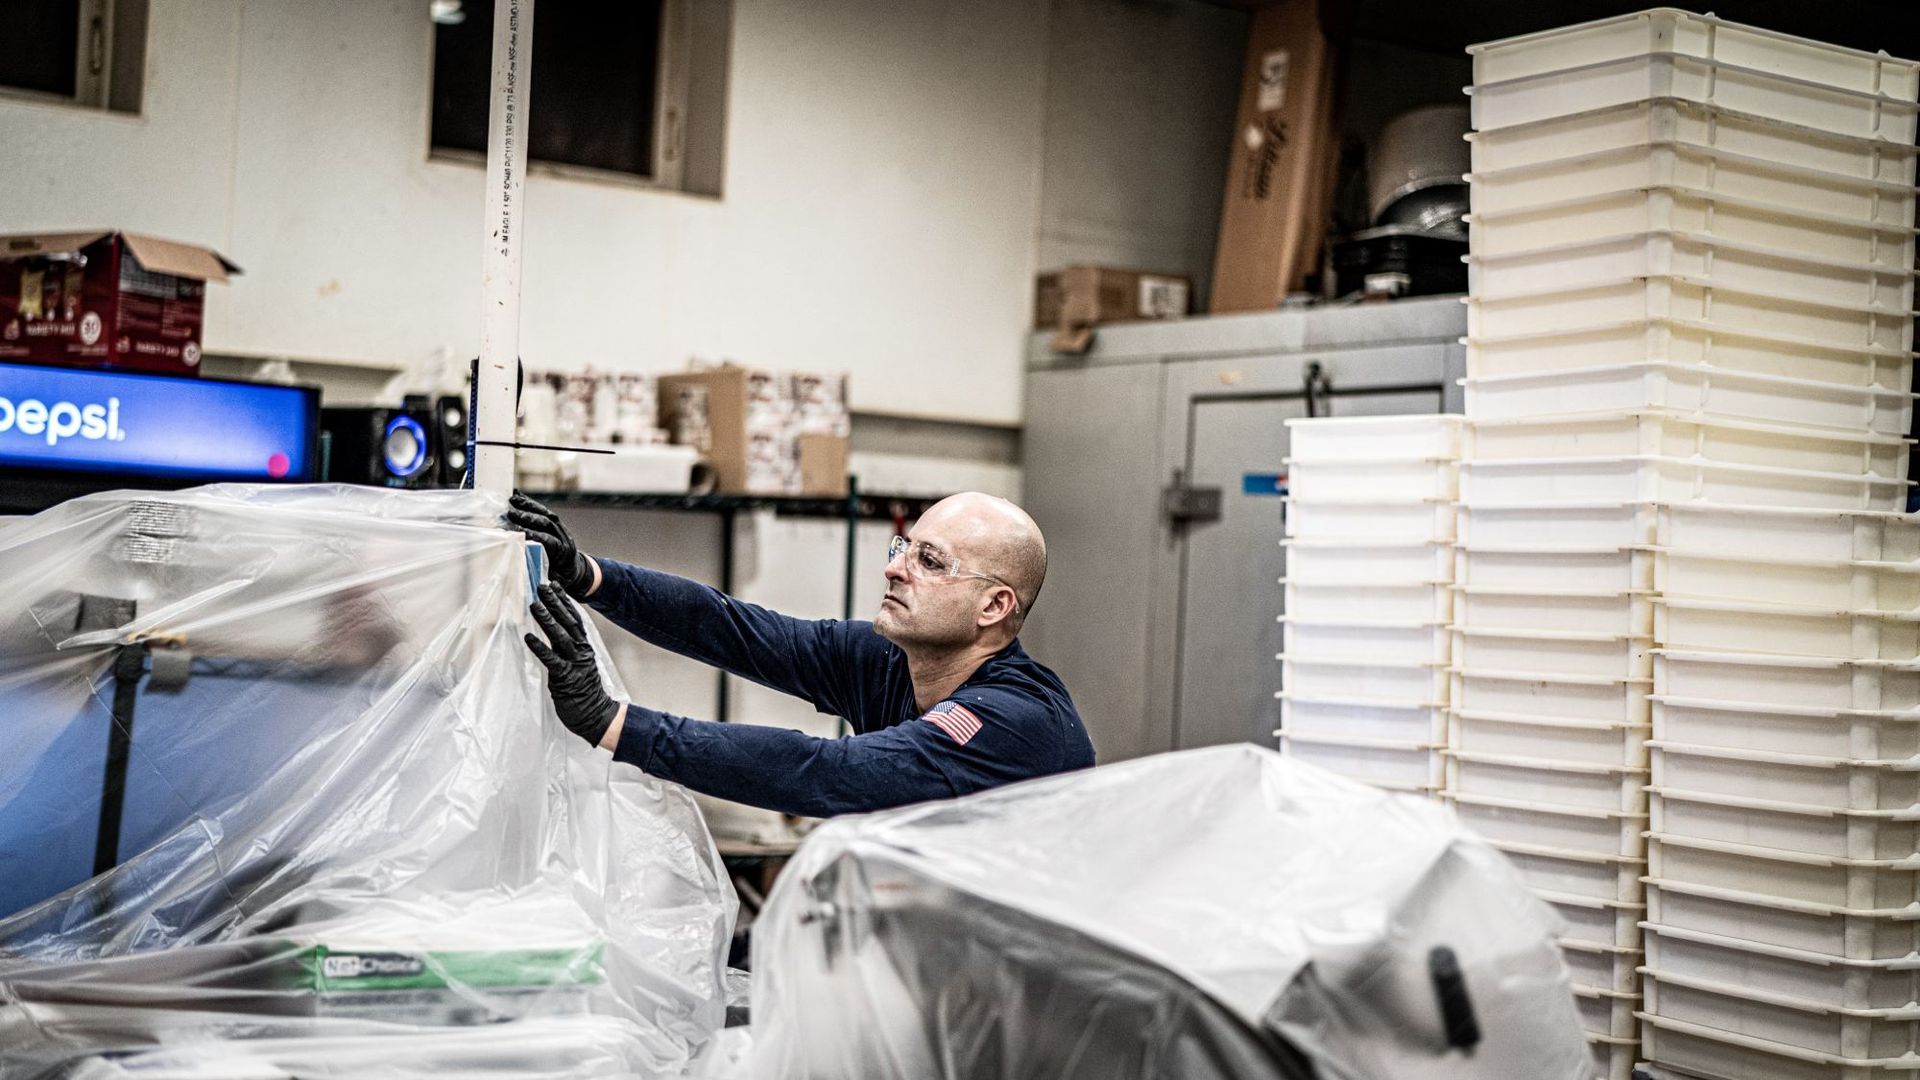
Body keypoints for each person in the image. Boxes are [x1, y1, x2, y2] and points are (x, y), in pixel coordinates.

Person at [511, 490, 1094, 818]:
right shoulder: (891, 661)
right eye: (903, 548)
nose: (895, 568)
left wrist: (612, 722)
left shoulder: (1012, 721)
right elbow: (734, 629)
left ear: (993, 606)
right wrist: (586, 574)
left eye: (930, 561)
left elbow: (826, 772)